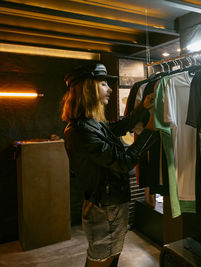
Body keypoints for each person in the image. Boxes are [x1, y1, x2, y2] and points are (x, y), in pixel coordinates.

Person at [61, 62, 158, 267]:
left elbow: (115, 128)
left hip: (110, 205)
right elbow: (123, 162)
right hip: (104, 210)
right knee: (101, 259)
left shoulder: (90, 123)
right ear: (88, 88)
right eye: (104, 84)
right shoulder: (80, 131)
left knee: (111, 256)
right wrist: (150, 132)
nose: (110, 89)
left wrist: (142, 109)